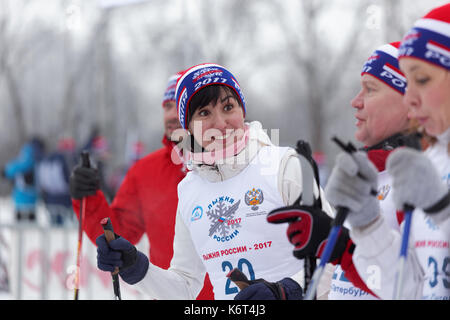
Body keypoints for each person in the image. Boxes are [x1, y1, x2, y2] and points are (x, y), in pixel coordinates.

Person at [95, 63, 335, 300]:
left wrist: (285, 292)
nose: (220, 124)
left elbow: (334, 255)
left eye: (228, 107)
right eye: (204, 113)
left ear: (242, 110)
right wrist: (136, 268)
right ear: (187, 128)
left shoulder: (285, 165)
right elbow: (185, 287)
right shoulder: (189, 190)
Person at [267, 41, 422, 300]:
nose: (355, 101)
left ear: (410, 103)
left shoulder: (417, 177)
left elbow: (414, 290)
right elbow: (344, 279)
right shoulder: (365, 176)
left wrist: (342, 246)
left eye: (370, 90)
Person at [324, 3, 450, 300]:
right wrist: (368, 226)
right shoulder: (432, 162)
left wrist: (442, 210)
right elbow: (407, 291)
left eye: (420, 80)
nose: (411, 100)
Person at [69, 71, 214, 299]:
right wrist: (86, 196)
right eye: (166, 106)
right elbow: (119, 232)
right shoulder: (145, 171)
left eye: (179, 104)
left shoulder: (235, 165)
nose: (171, 114)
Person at [2, 137, 45, 223]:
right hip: (32, 201)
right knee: (31, 229)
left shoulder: (20, 163)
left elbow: (6, 172)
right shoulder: (40, 162)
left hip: (19, 201)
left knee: (20, 229)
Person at [36, 137, 76, 226]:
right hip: (65, 200)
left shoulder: (47, 159)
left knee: (54, 228)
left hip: (50, 199)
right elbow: (69, 180)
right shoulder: (66, 160)